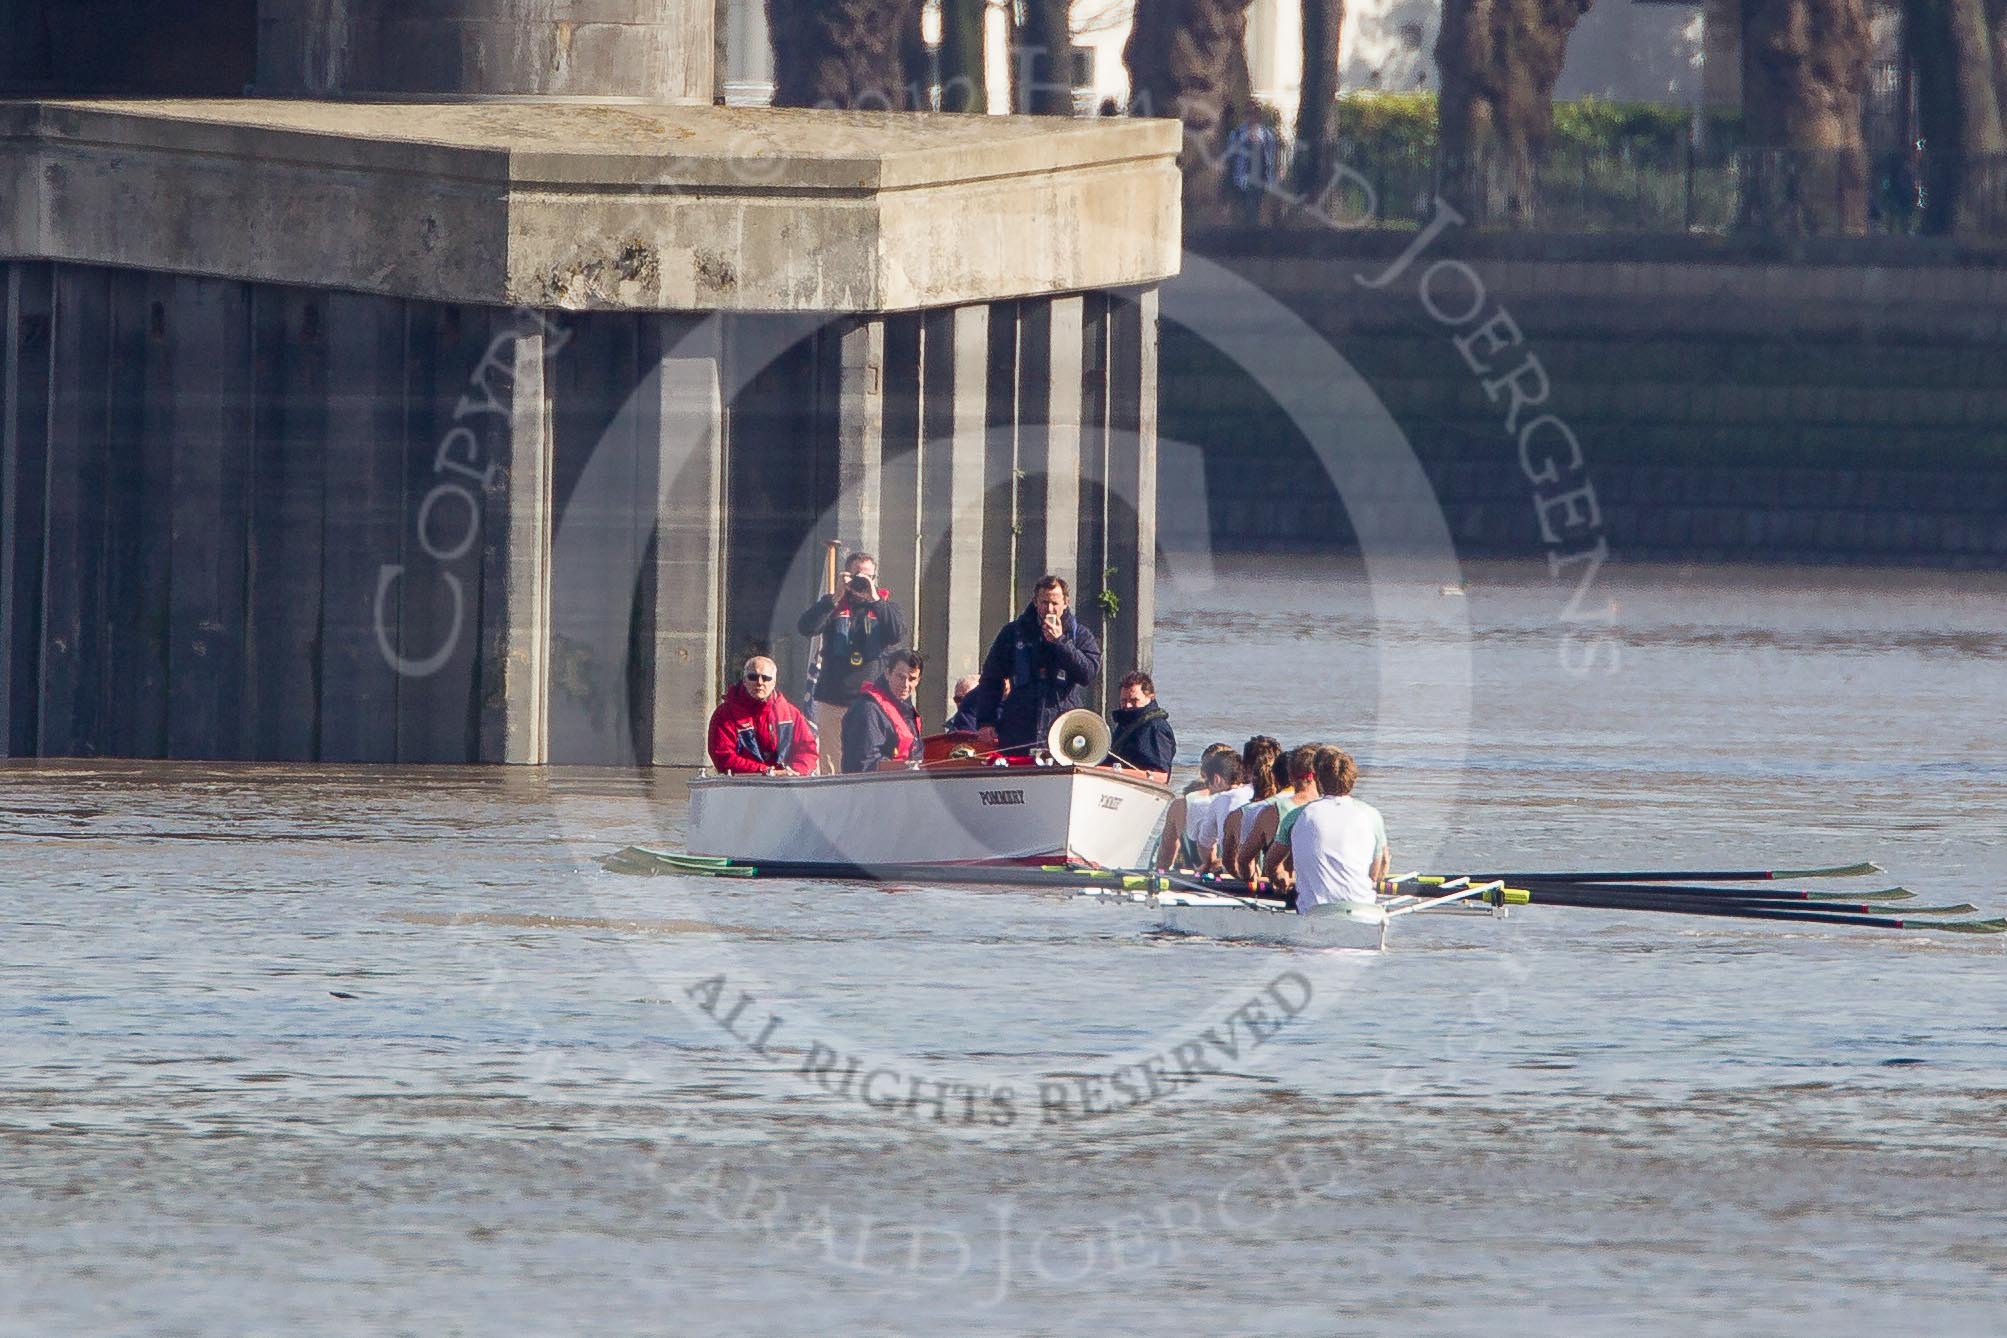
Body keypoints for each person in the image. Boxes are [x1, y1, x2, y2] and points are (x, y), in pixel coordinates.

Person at [960, 574, 1102, 752]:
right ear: (1035, 602)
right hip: (1019, 728)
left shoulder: (1079, 635)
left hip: (1062, 727)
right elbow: (991, 679)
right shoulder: (1013, 633)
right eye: (1044, 603)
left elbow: (1088, 673)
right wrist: (986, 722)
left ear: (1065, 603)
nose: (1049, 609)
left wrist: (1061, 643)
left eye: (1055, 604)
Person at [796, 551, 906, 772]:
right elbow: (806, 627)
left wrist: (873, 598)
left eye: (867, 577)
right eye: (857, 576)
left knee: (868, 760)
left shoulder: (885, 607)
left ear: (875, 579)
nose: (861, 582)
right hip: (832, 700)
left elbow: (897, 634)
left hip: (870, 703)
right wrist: (835, 596)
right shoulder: (832, 605)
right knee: (831, 767)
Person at [1281, 747, 1391, 909]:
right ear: (1353, 781)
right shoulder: (1372, 815)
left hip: (1313, 912)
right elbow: (1376, 873)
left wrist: (1281, 880)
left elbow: (1272, 865)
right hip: (1362, 910)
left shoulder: (1296, 815)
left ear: (1319, 780)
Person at [707, 655, 818, 776]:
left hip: (787, 787)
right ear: (744, 680)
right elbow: (723, 757)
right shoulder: (725, 714)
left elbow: (807, 750)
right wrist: (767, 772)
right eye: (753, 677)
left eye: (766, 678)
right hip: (740, 787)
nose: (759, 683)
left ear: (774, 682)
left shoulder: (791, 714)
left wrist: (795, 771)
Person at [1153, 742, 1236, 870]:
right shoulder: (1243, 803)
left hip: (1194, 879)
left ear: (1203, 772)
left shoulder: (1179, 806)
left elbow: (1164, 860)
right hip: (1235, 879)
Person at [1246, 743, 1321, 883]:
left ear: (1291, 776)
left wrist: (1250, 879)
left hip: (1286, 887)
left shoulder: (1273, 810)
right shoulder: (1340, 810)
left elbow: (1246, 859)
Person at [843, 649, 925, 772]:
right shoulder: (868, 710)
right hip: (876, 787)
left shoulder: (907, 711)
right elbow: (864, 763)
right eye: (900, 677)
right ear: (887, 674)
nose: (905, 685)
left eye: (912, 679)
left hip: (906, 785)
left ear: (918, 681)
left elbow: (917, 753)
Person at [1219, 735, 1281, 874]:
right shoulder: (1293, 802)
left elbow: (1231, 862)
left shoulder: (1235, 806)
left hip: (1254, 880)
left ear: (1245, 767)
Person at [1182, 747, 1249, 873]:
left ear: (1217, 779)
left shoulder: (1217, 801)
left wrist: (1207, 864)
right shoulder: (1253, 793)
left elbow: (1204, 843)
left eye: (1208, 781)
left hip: (1237, 869)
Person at [1104, 672, 1175, 780]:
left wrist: (1112, 772)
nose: (1127, 705)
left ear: (1151, 697)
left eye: (1134, 700)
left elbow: (1161, 776)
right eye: (1124, 701)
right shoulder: (1124, 724)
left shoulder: (1155, 728)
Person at [1222, 106, 1280, 227]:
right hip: (1241, 176)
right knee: (1245, 205)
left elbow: (1271, 157)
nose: (1251, 119)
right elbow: (1229, 154)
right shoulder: (1237, 134)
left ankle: (1252, 230)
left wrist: (1273, 177)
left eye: (1254, 116)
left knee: (1255, 205)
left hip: (1260, 177)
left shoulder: (1267, 135)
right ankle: (1247, 230)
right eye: (1249, 115)